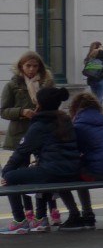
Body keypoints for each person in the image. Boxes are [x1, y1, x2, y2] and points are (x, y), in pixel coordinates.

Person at [0, 87, 82, 234]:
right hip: (72, 171)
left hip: (54, 172)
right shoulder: (65, 120)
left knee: (12, 177)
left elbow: (22, 151)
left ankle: (19, 221)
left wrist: (6, 173)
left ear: (40, 104)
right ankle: (41, 218)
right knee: (39, 171)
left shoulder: (40, 124)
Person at [1, 50, 61, 224]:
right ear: (21, 66)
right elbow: (3, 110)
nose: (31, 69)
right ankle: (27, 211)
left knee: (43, 172)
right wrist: (21, 112)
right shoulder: (13, 85)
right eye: (28, 66)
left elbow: (54, 104)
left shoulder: (46, 83)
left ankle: (49, 210)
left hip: (42, 133)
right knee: (21, 173)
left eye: (35, 66)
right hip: (20, 133)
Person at [59, 91, 103, 230]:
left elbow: (74, 151)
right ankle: (88, 215)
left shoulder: (80, 125)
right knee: (81, 174)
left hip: (100, 171)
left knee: (61, 177)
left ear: (74, 108)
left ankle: (75, 215)